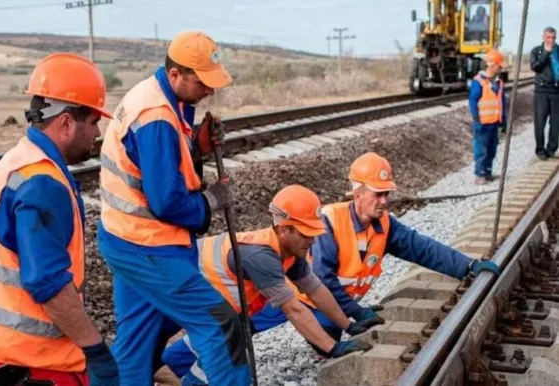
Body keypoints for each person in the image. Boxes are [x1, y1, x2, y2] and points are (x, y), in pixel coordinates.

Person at [0, 52, 119, 385]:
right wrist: (95, 350)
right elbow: (48, 284)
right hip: (9, 353)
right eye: (94, 122)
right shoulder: (42, 183)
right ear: (66, 122)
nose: (97, 133)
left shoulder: (19, 160)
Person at [211, 152, 502, 349]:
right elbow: (322, 279)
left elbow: (423, 249)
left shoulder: (385, 225)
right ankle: (175, 362)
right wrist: (355, 312)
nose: (385, 201)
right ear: (358, 192)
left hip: (328, 305)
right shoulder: (330, 222)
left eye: (387, 194)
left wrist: (467, 266)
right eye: (379, 194)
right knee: (235, 329)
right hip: (292, 296)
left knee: (320, 339)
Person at [97, 30, 250, 386]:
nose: (209, 90)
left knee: (139, 341)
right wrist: (212, 200)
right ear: (176, 74)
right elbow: (167, 201)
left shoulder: (164, 99)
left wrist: (196, 145)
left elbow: (163, 164)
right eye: (202, 82)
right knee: (220, 324)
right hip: (147, 245)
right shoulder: (156, 117)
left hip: (123, 237)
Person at [160, 185, 375, 385]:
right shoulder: (261, 255)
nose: (312, 240)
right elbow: (293, 309)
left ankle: (171, 363)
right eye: (305, 234)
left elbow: (315, 290)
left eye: (313, 233)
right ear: (284, 230)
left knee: (232, 333)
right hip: (178, 279)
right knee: (225, 352)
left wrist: (349, 325)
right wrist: (332, 347)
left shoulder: (290, 252)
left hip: (212, 301)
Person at [469, 49, 507, 185]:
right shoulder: (478, 81)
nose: (501, 68)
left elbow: (502, 104)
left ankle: (488, 172)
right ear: (493, 65)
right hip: (482, 122)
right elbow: (473, 100)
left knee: (491, 149)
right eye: (499, 65)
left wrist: (504, 123)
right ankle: (480, 175)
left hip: (494, 122)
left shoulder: (499, 83)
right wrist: (476, 118)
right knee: (481, 149)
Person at [531, 26, 559, 160]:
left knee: (556, 123)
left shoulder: (558, 50)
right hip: (542, 91)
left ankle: (551, 149)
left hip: (556, 91)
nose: (551, 40)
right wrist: (546, 53)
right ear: (543, 37)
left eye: (553, 37)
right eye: (548, 37)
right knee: (540, 122)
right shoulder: (537, 51)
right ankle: (540, 150)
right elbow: (535, 67)